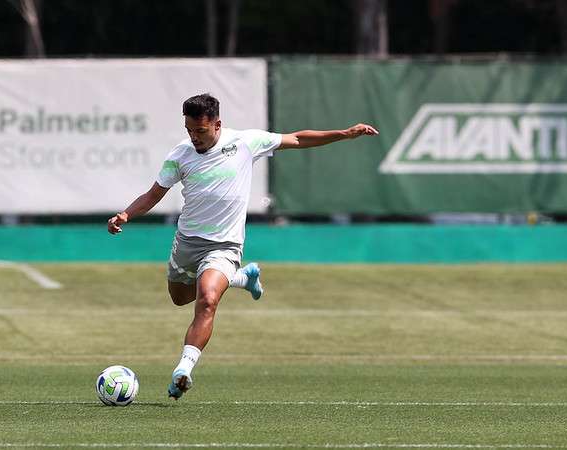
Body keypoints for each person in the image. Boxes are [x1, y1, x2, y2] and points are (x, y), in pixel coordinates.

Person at [107, 93, 378, 400]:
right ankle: (242, 278)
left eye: (200, 131)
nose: (194, 137)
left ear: (217, 124)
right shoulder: (180, 155)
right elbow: (154, 194)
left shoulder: (246, 142)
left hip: (225, 244)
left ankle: (183, 369)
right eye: (189, 130)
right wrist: (127, 214)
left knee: (207, 299)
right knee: (180, 297)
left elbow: (298, 140)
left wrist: (343, 134)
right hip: (187, 242)